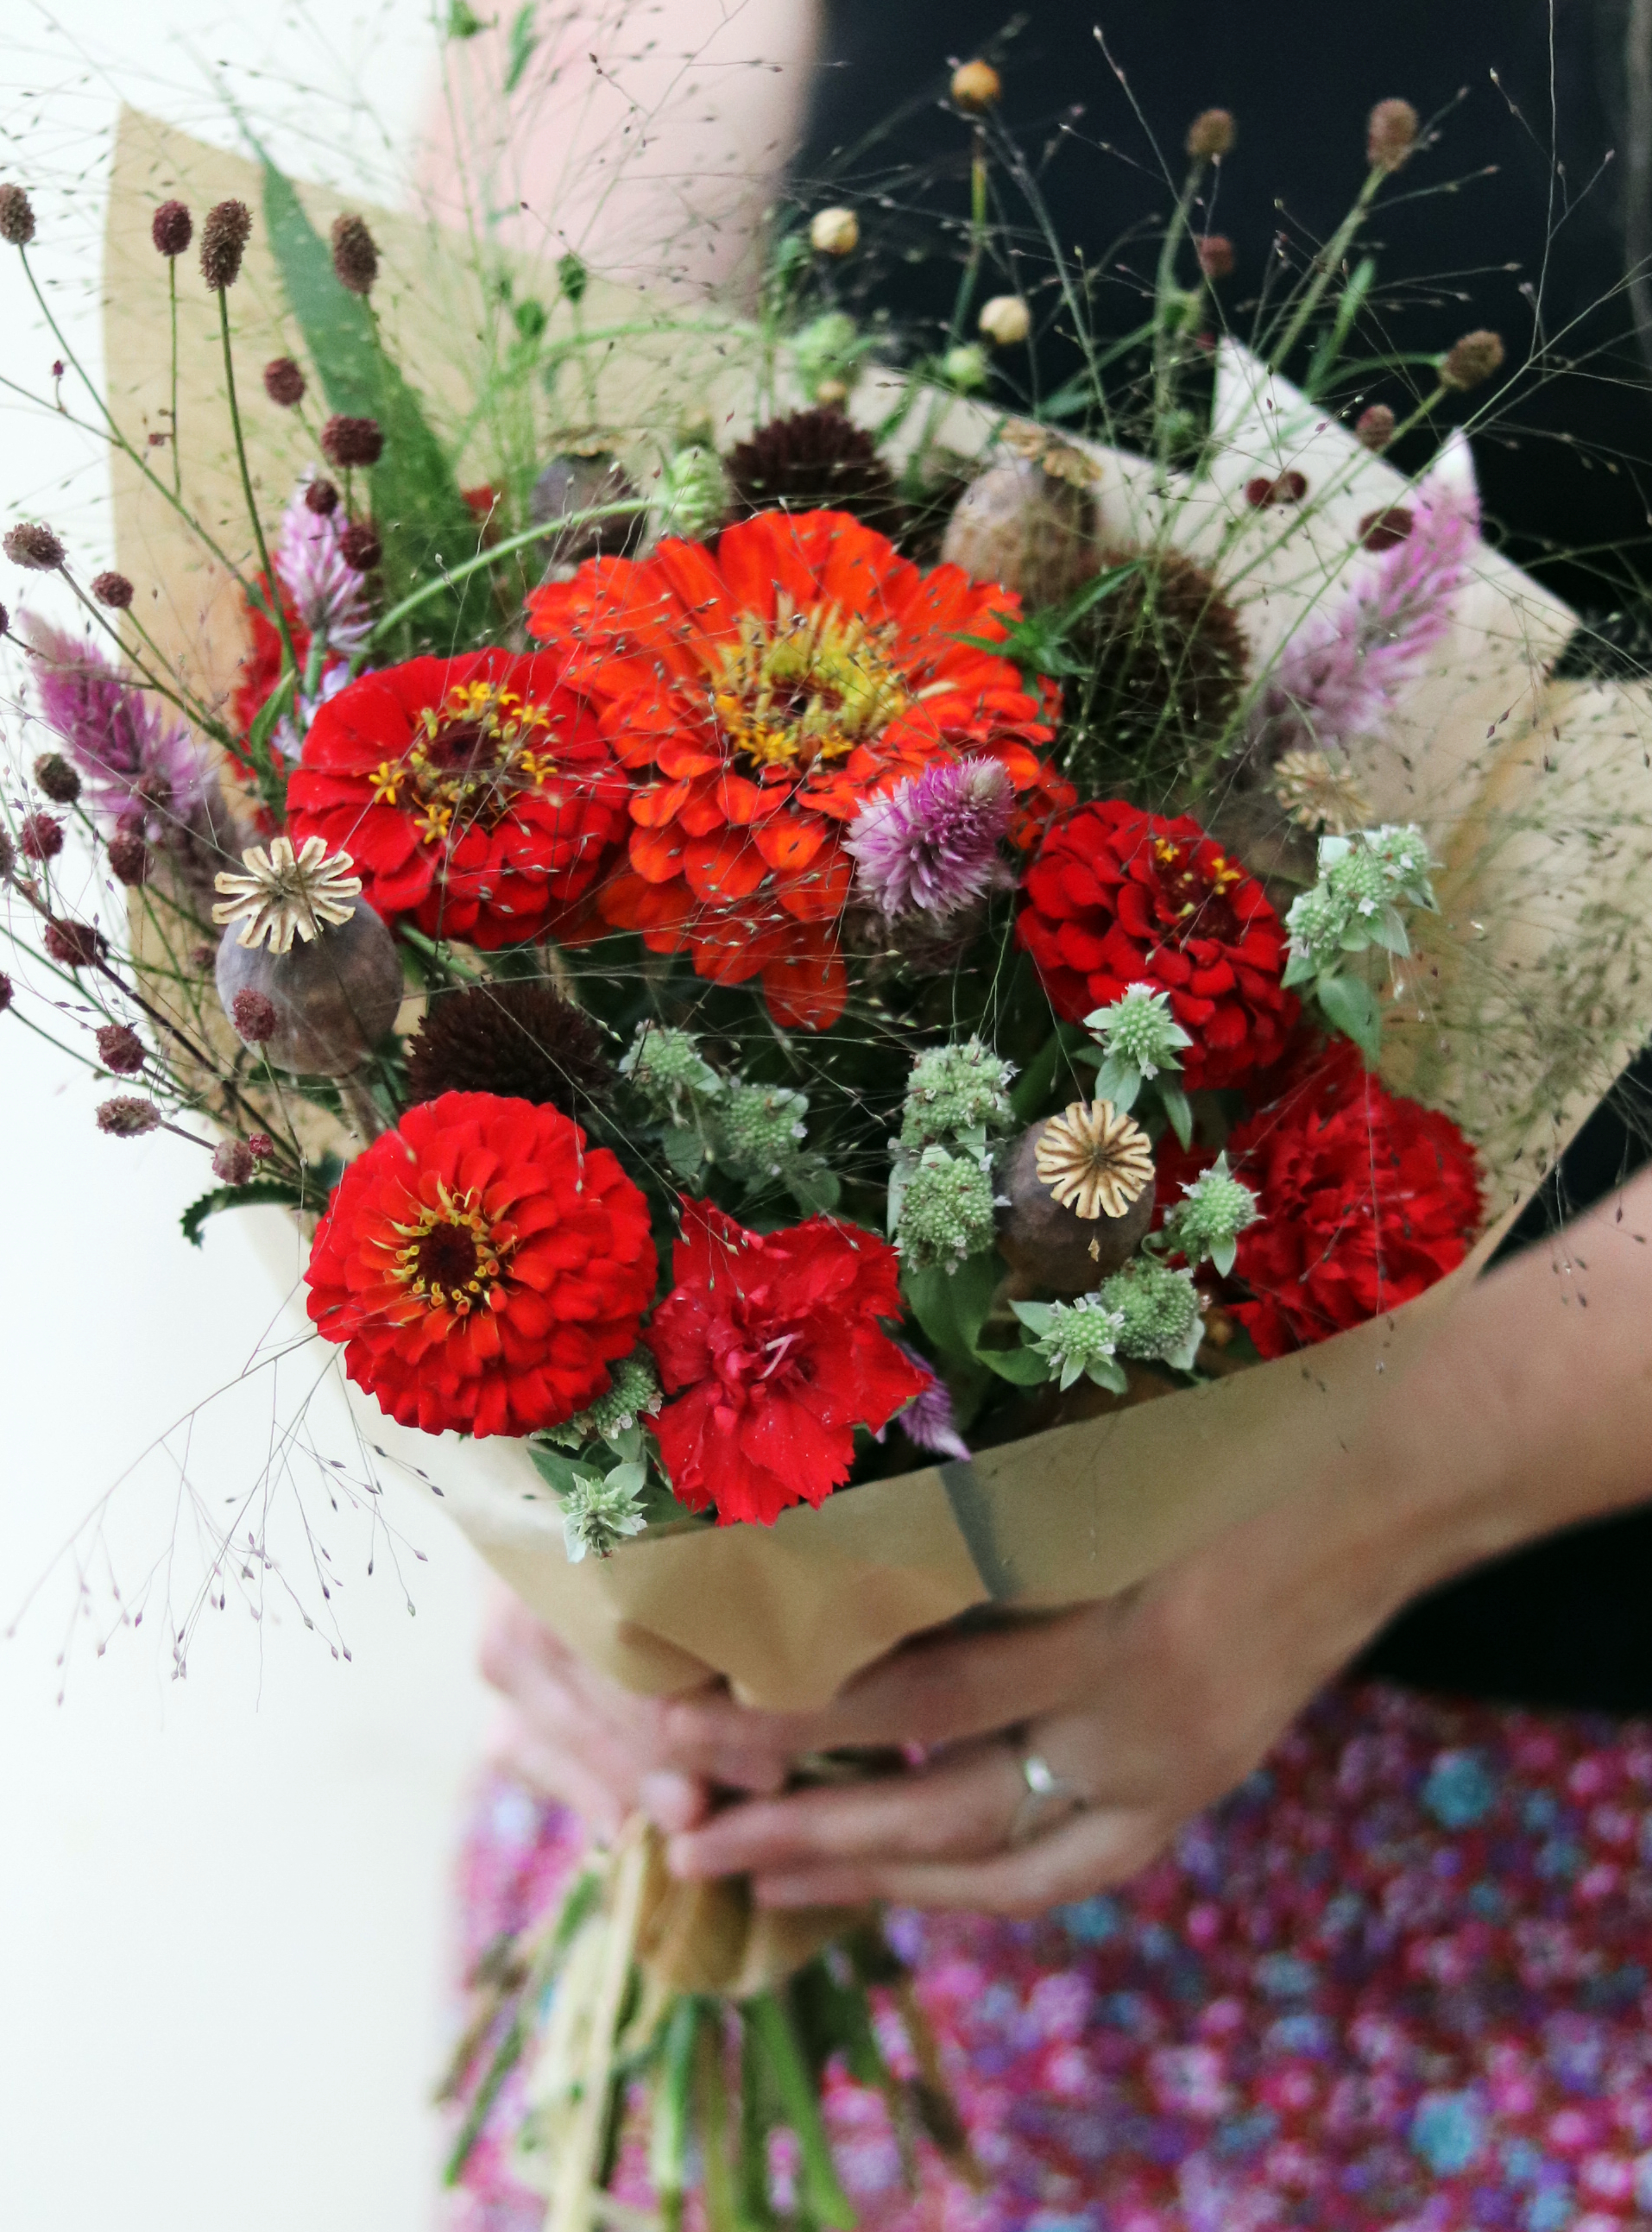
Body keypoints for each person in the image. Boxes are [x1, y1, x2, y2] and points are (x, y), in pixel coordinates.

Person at [451, 8, 1652, 2224]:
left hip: (1516, 1844)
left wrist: (1350, 1511)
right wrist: (566, 1493)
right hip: (751, 1790)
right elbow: (497, 593)